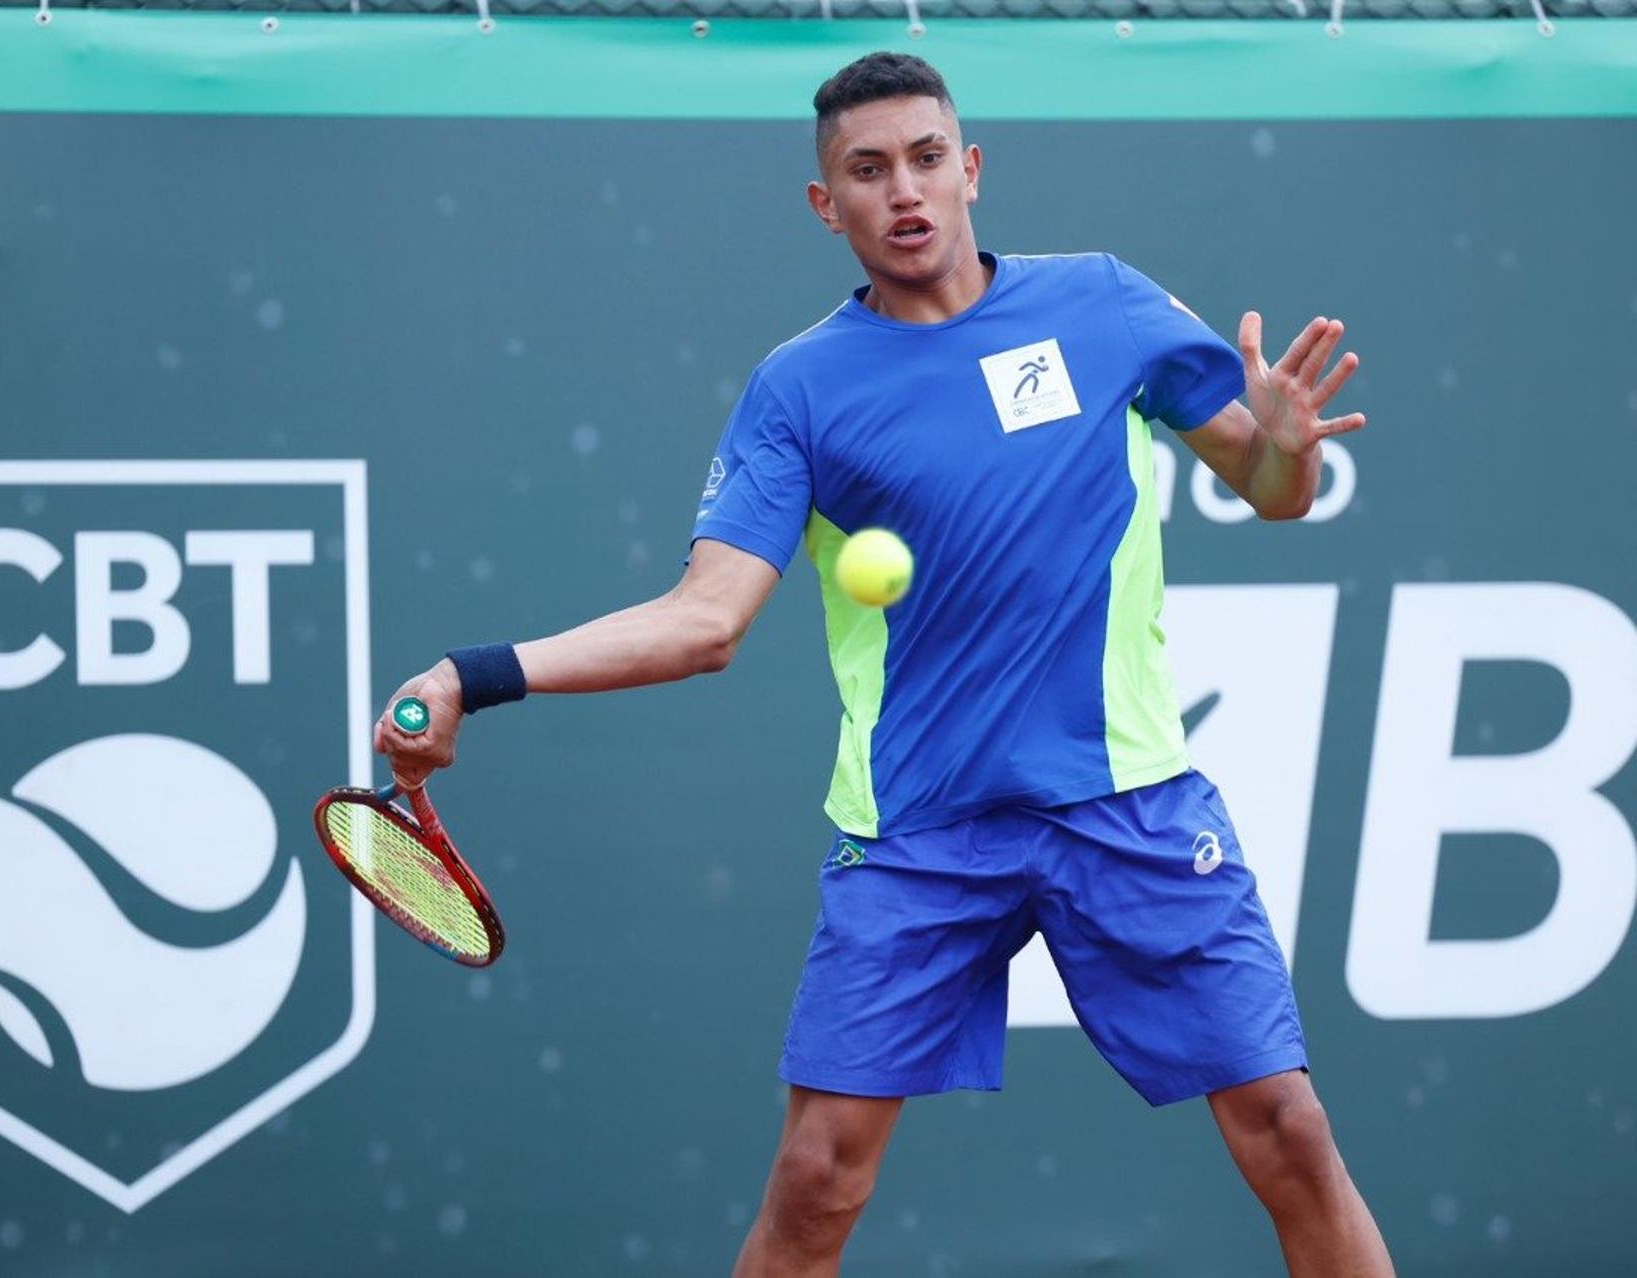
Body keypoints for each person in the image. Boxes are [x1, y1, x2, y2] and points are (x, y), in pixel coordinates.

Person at [375, 51, 1394, 1278]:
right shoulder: (799, 392)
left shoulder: (1103, 307)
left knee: (1289, 1129)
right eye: (868, 171)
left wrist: (1286, 452)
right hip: (918, 838)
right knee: (816, 1181)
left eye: (924, 160)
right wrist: (475, 671)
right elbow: (705, 620)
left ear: (970, 172)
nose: (903, 191)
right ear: (828, 205)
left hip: (1128, 806)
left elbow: (1274, 493)